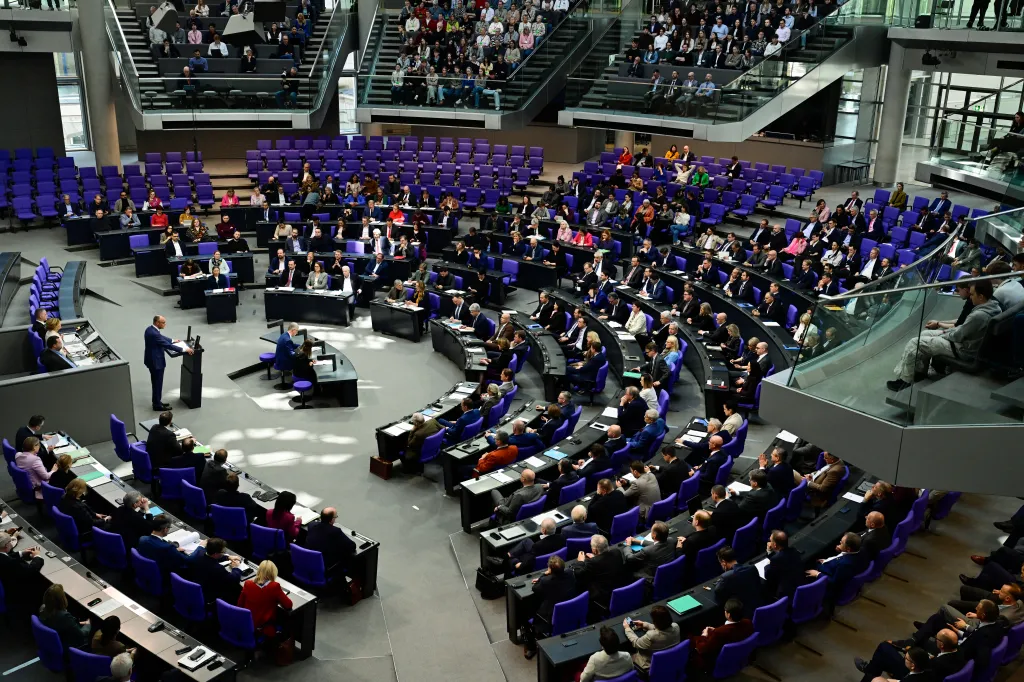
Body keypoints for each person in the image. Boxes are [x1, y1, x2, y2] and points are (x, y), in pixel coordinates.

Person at [523, 555, 578, 658]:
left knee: (527, 612)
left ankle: (531, 646)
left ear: (550, 570)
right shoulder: (570, 573)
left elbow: (535, 588)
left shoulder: (546, 581)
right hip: (571, 610)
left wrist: (544, 575)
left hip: (550, 616)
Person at [688, 598, 754, 674]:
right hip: (739, 657)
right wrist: (717, 629)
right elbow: (733, 631)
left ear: (728, 615)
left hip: (715, 660)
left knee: (690, 639)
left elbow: (702, 649)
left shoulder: (720, 632)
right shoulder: (748, 622)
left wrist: (704, 635)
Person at [144, 315, 191, 411]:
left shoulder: (149, 329)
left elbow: (161, 337)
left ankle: (157, 401)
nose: (165, 324)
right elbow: (167, 345)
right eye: (163, 322)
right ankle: (157, 405)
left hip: (151, 360)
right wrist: (184, 349)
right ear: (157, 323)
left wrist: (173, 340)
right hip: (156, 363)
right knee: (157, 383)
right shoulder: (154, 334)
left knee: (156, 383)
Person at [238, 560, 293, 638]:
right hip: (264, 627)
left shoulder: (248, 583)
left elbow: (240, 604)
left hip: (248, 623)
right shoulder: (274, 586)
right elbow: (288, 605)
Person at [623, 604, 681, 672]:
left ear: (655, 622)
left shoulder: (651, 636)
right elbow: (662, 629)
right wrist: (644, 624)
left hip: (649, 664)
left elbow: (636, 643)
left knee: (625, 656)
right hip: (670, 659)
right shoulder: (676, 626)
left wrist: (627, 629)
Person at [806, 532, 866, 597]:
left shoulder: (845, 565)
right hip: (830, 567)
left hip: (825, 584)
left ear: (848, 549)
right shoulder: (860, 551)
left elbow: (833, 583)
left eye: (842, 543)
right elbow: (841, 558)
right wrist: (826, 561)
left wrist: (817, 574)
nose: (840, 542)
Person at [713, 546, 762, 617]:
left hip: (743, 614)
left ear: (723, 562)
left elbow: (718, 592)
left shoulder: (727, 576)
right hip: (758, 606)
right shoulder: (752, 568)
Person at [38, 584, 90, 650]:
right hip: (70, 647)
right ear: (62, 599)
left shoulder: (43, 609)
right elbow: (81, 635)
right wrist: (88, 624)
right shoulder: (64, 616)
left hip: (55, 642)